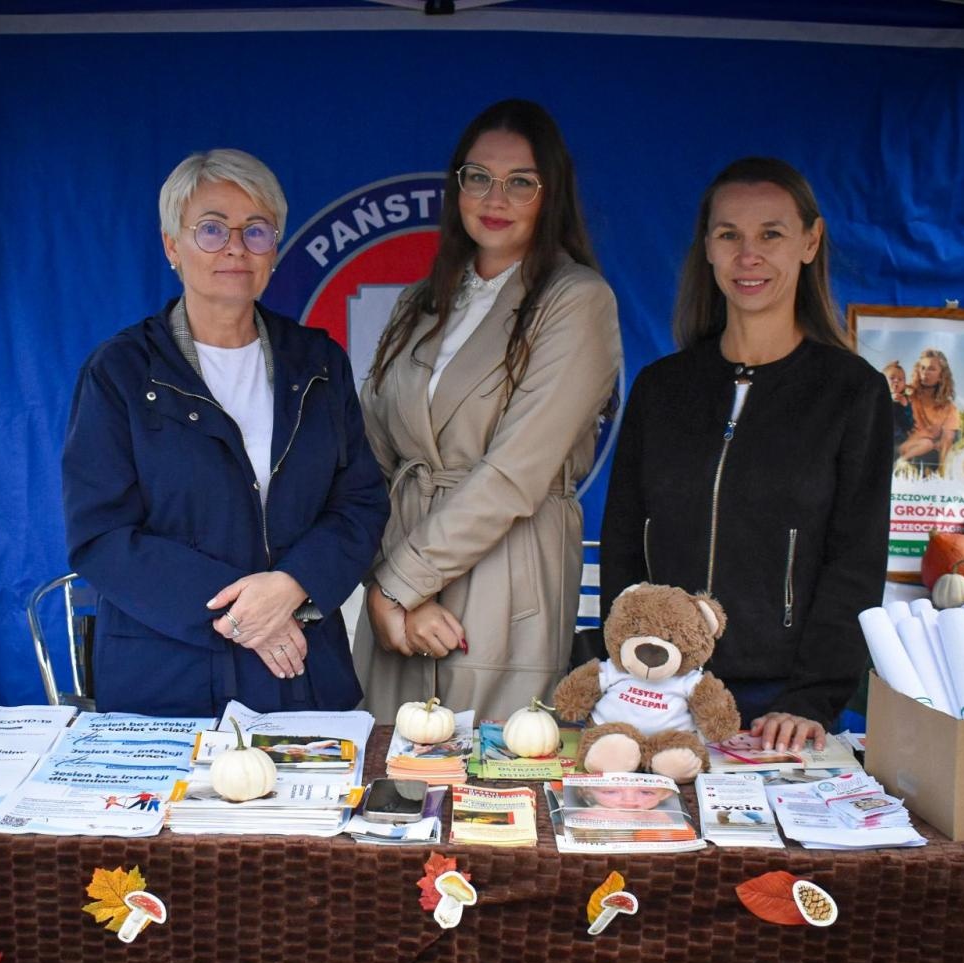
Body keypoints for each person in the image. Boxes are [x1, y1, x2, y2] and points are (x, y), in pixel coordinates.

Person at [63, 150, 388, 715]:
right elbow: (102, 535)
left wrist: (290, 586)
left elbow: (359, 502)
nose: (235, 247)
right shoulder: (119, 372)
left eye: (256, 231)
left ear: (274, 249)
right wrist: (243, 615)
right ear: (172, 246)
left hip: (302, 673)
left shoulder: (318, 363)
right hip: (166, 681)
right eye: (211, 229)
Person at [599, 157, 891, 754]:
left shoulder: (852, 393)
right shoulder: (662, 388)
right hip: (657, 693)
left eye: (771, 234)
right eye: (729, 234)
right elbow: (625, 539)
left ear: (810, 243)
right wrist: (630, 665)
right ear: (706, 248)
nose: (747, 255)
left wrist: (812, 698)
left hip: (778, 709)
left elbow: (856, 562)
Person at [354, 99, 622, 720]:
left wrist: (400, 583)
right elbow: (369, 458)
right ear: (457, 187)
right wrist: (387, 587)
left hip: (507, 568)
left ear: (549, 194)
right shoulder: (422, 301)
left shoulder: (576, 299)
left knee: (490, 785)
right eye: (478, 177)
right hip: (399, 572)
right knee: (391, 784)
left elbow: (514, 472)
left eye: (520, 183)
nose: (494, 197)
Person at [897, 348, 959, 473]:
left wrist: (943, 473)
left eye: (931, 369)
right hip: (900, 447)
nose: (925, 372)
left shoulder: (949, 408)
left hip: (927, 455)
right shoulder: (907, 395)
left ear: (942, 376)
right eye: (922, 368)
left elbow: (947, 441)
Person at [881, 360, 914, 459]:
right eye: (892, 378)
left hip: (899, 440)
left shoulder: (906, 400)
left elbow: (909, 425)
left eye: (900, 379)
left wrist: (905, 406)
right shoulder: (879, 397)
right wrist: (888, 400)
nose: (896, 381)